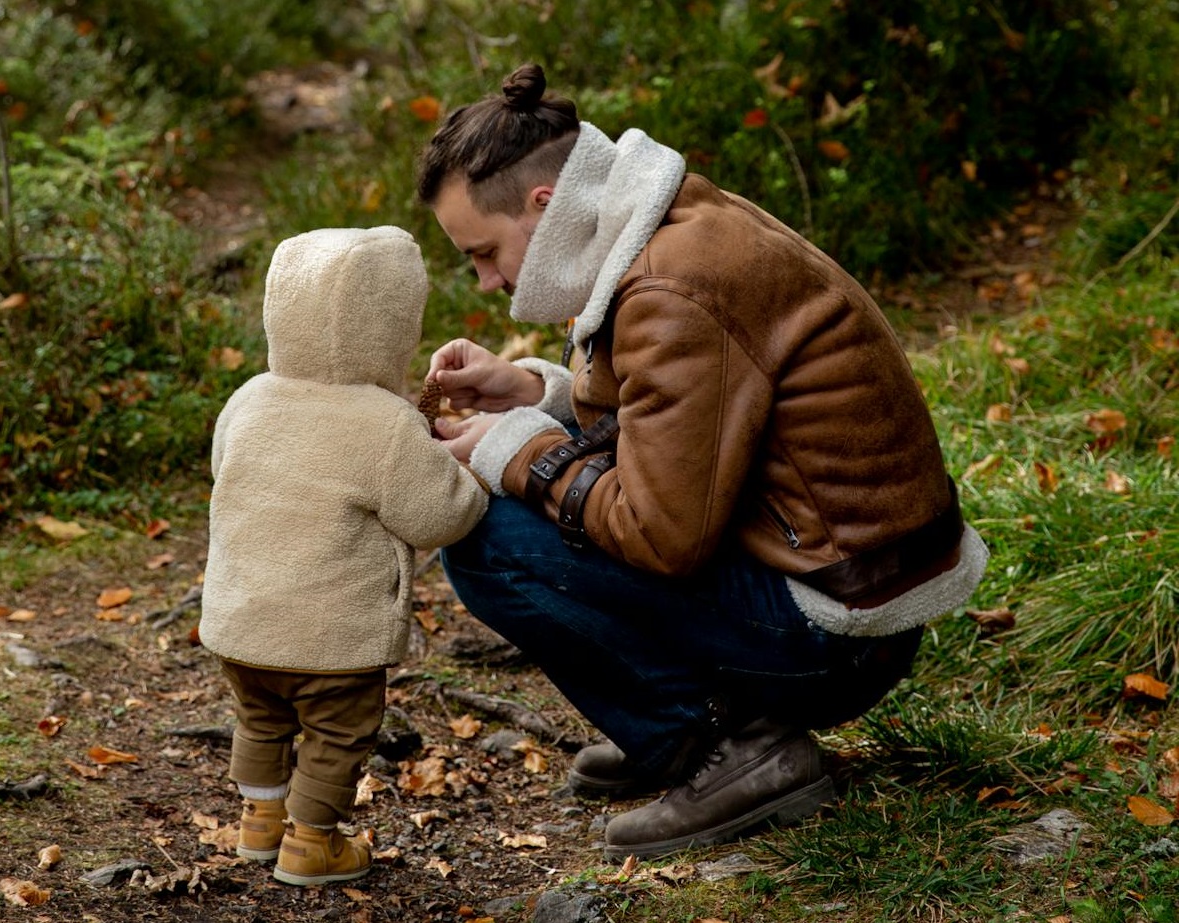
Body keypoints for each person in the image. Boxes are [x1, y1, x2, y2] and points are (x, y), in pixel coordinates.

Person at [415, 63, 988, 861]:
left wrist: (516, 452)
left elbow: (662, 532)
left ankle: (723, 746)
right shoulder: (674, 220)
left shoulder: (668, 286)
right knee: (513, 505)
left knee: (482, 537)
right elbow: (677, 417)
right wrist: (528, 396)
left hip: (835, 632)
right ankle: (685, 737)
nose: (485, 280)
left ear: (544, 206)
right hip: (848, 579)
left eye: (482, 251)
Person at [199, 226, 488, 885]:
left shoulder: (248, 399)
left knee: (260, 718)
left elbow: (226, 471)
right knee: (337, 734)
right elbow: (438, 515)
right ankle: (311, 842)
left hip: (241, 623)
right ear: (393, 326)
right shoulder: (383, 423)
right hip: (333, 637)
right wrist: (474, 477)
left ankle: (259, 823)